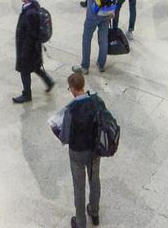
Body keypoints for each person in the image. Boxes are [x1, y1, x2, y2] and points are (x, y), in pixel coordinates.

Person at [52, 72, 105, 228]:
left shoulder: (71, 109)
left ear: (74, 89)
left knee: (79, 186)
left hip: (77, 153)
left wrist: (56, 130)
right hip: (95, 150)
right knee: (94, 180)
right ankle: (94, 212)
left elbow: (65, 137)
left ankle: (80, 222)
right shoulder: (97, 101)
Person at [73, 0, 116, 75]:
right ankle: (101, 64)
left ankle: (85, 66)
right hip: (107, 13)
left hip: (93, 15)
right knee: (103, 39)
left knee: (86, 39)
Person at [14, 0, 55, 103]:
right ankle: (49, 82)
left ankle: (27, 94)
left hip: (27, 49)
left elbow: (31, 34)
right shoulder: (32, 7)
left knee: (24, 71)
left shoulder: (29, 13)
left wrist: (23, 52)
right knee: (35, 67)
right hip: (34, 49)